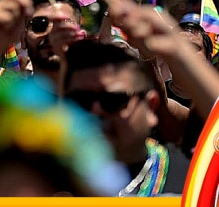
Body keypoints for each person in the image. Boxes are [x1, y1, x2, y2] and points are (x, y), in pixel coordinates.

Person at [63, 39, 187, 196]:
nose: (96, 111)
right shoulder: (39, 181)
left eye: (113, 100)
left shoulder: (193, 183)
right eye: (81, 100)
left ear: (151, 107)